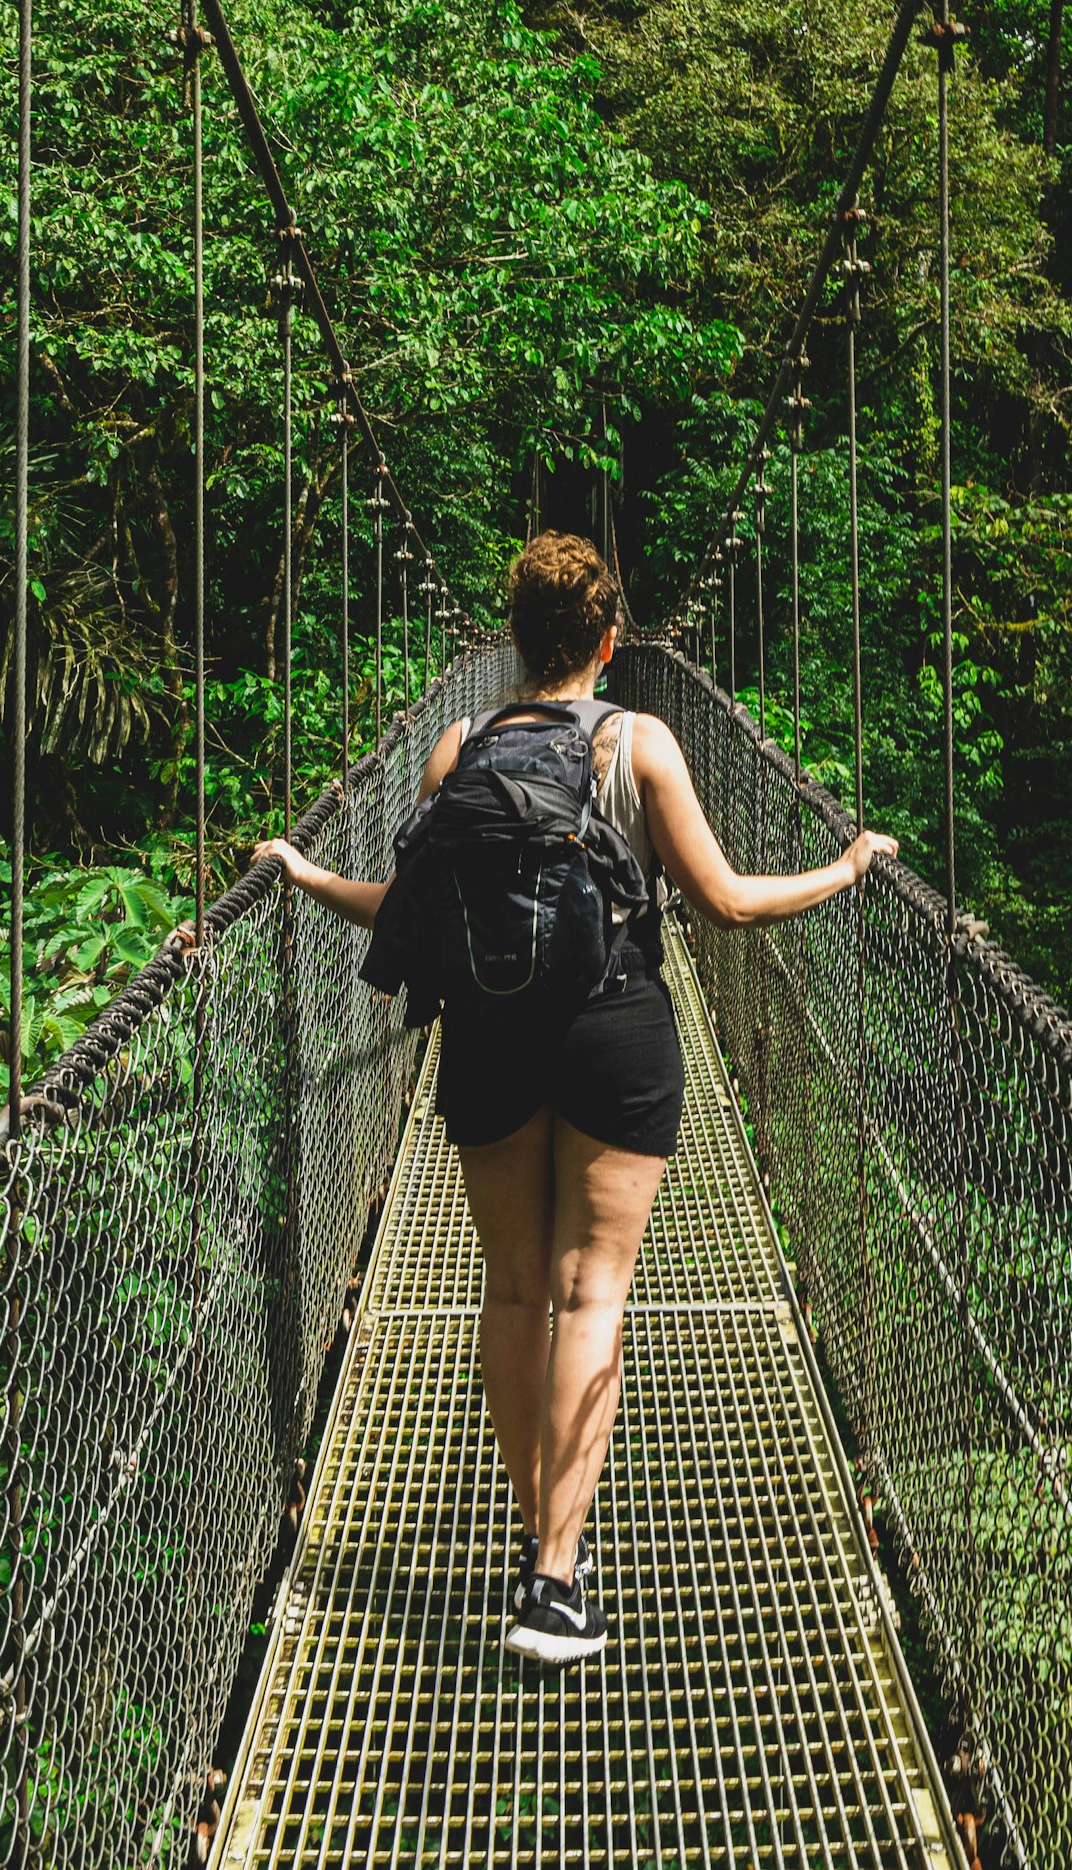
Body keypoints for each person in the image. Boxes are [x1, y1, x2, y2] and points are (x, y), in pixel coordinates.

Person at [254, 531, 898, 1666]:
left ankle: (537, 1536)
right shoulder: (640, 742)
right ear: (609, 641)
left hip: (488, 1038)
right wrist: (846, 869)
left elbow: (405, 912)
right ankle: (557, 1575)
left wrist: (306, 876)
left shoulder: (459, 747)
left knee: (512, 1296)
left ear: (512, 640)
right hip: (614, 1029)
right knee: (589, 1292)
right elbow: (728, 906)